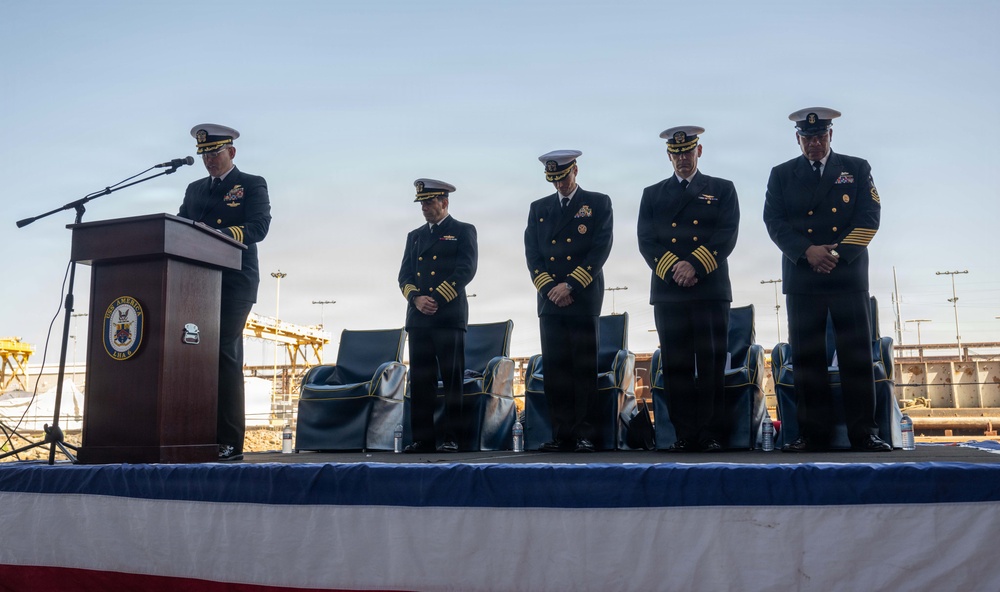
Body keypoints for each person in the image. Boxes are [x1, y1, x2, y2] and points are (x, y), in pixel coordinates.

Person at [763, 107, 891, 452]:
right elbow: (773, 221)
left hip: (846, 273)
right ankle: (811, 434)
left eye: (820, 137)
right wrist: (808, 251)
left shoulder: (856, 168)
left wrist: (836, 254)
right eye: (807, 138)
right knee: (807, 360)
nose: (814, 143)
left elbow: (869, 217)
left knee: (857, 356)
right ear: (798, 139)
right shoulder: (781, 174)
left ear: (831, 136)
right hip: (803, 275)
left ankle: (865, 433)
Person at [637, 126, 740, 452]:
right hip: (670, 291)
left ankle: (710, 434)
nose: (683, 159)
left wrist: (693, 264)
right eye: (676, 154)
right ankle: (683, 434)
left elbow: (727, 234)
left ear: (699, 151)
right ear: (669, 156)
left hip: (709, 288)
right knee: (677, 365)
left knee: (710, 364)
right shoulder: (652, 194)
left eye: (688, 152)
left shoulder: (722, 189)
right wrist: (674, 269)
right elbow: (646, 241)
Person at [178, 124, 271, 461]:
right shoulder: (194, 189)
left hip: (235, 282)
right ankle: (201, 435)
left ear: (231, 152)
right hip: (197, 285)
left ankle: (229, 440)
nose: (209, 160)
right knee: (199, 355)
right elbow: (179, 228)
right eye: (204, 154)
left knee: (223, 352)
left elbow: (258, 227)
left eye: (215, 153)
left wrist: (214, 235)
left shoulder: (250, 184)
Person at [524, 150, 613, 453]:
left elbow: (600, 248)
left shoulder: (598, 203)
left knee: (583, 369)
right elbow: (533, 254)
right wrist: (549, 287)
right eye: (555, 180)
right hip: (550, 301)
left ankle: (586, 434)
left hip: (582, 296)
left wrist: (571, 284)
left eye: (563, 177)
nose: (560, 185)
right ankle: (562, 434)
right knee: (556, 370)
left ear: (575, 170)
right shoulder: (539, 208)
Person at [398, 179, 478, 453]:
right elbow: (404, 276)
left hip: (448, 317)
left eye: (429, 202)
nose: (425, 208)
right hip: (419, 319)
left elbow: (466, 270)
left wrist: (437, 299)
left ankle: (452, 437)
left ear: (445, 202)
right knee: (421, 381)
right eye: (422, 203)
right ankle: (422, 439)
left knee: (452, 379)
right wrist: (416, 298)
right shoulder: (415, 236)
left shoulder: (463, 231)